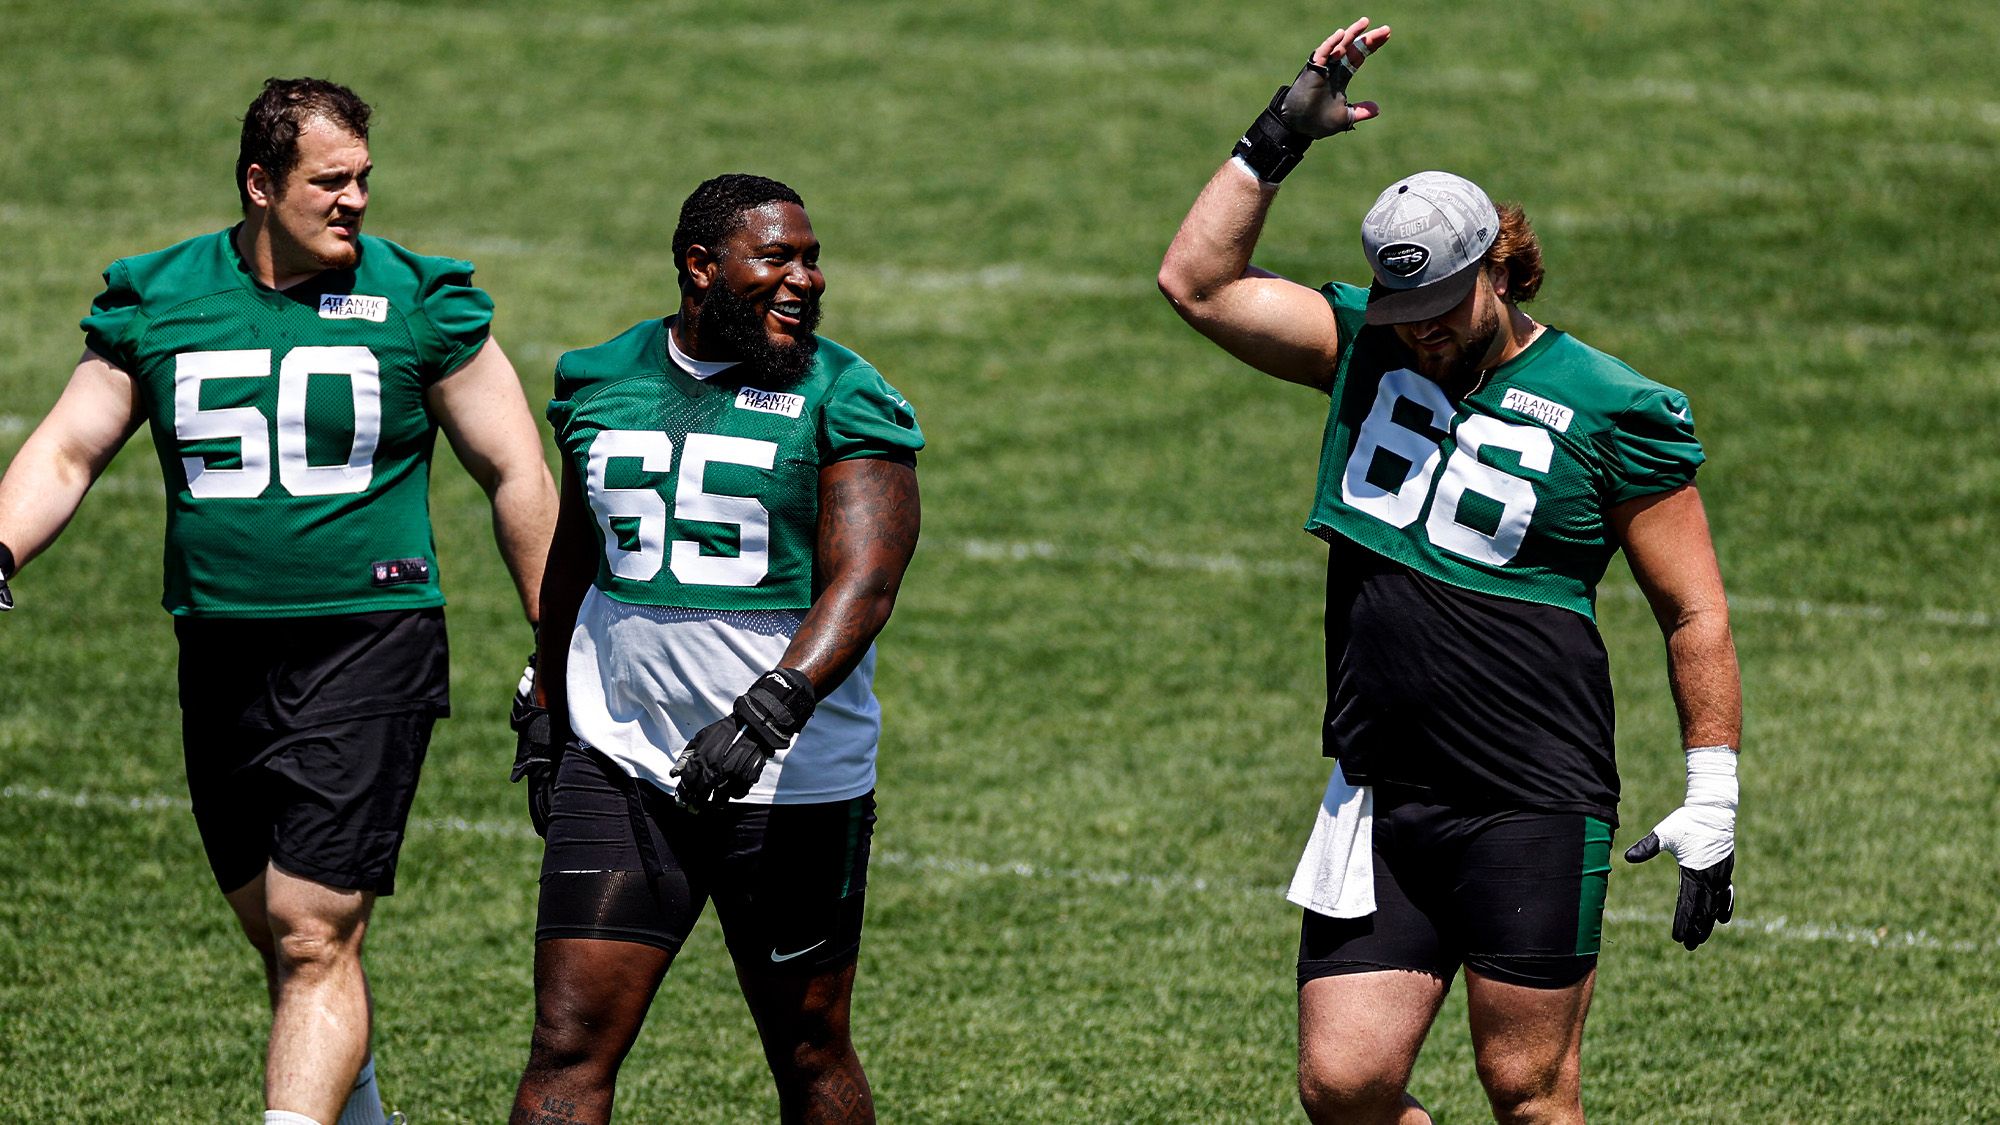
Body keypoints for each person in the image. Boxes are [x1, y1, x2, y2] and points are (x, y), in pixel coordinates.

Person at [1158, 19, 1743, 1125]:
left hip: (1530, 795)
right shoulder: (1360, 344)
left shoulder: (1614, 407)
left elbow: (1691, 609)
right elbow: (1194, 283)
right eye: (1401, 312)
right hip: (1381, 791)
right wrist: (1275, 136)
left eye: (1439, 310)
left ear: (1496, 266)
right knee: (1344, 1083)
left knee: (1525, 1090)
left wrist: (1712, 788)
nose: (1418, 335)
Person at [0, 78, 558, 1125]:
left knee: (313, 933)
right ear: (259, 184)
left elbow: (517, 470)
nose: (353, 201)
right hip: (218, 650)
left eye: (362, 180)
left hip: (368, 641)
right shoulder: (161, 296)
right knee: (278, 929)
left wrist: (561, 637)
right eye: (327, 181)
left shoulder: (421, 298)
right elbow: (71, 449)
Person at [508, 173, 923, 1125]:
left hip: (792, 779)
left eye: (812, 257)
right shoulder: (599, 377)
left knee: (810, 1047)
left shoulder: (846, 393)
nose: (807, 279)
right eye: (777, 257)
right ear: (700, 267)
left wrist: (765, 712)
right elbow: (581, 549)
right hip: (623, 760)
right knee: (566, 1043)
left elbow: (866, 581)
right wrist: (545, 686)